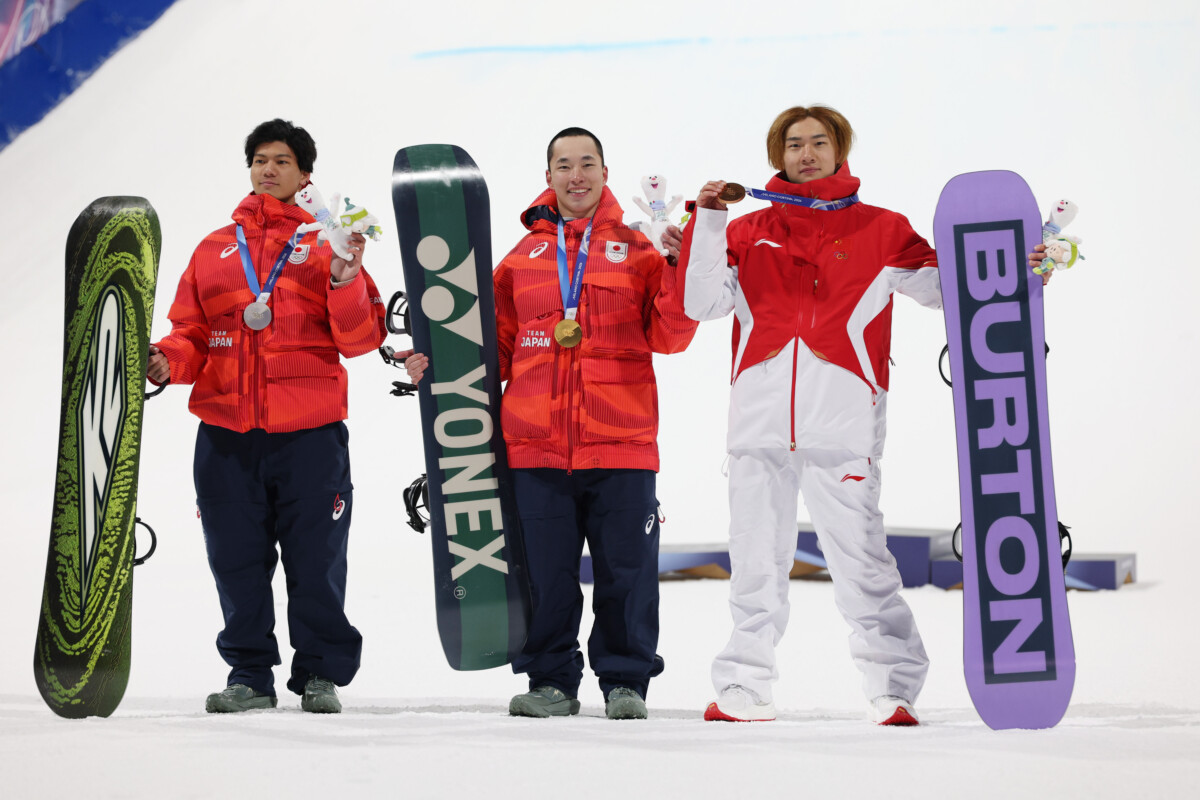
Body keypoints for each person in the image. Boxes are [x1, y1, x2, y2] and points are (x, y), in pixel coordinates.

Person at [405, 127, 697, 719]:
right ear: (548, 177)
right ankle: (552, 681)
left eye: (587, 163)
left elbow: (671, 338)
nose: (576, 175)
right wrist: (433, 364)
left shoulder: (642, 249)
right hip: (535, 448)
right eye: (563, 164)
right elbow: (493, 352)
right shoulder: (520, 259)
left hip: (621, 444)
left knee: (627, 575)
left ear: (606, 173)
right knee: (545, 576)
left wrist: (678, 265)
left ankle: (625, 682)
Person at [680, 105, 945, 726]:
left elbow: (947, 291)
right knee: (753, 565)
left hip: (844, 427)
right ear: (778, 156)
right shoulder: (746, 232)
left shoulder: (882, 230)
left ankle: (894, 687)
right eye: (793, 144)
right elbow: (701, 303)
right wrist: (711, 222)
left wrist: (1018, 267)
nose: (806, 153)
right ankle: (744, 686)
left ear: (839, 149)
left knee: (861, 564)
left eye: (818, 142)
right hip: (757, 429)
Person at [147, 118, 391, 714]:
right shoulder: (214, 248)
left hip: (310, 434)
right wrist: (164, 362)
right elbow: (192, 332)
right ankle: (249, 675)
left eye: (282, 160)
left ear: (306, 174)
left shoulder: (329, 239)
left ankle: (319, 675)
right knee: (235, 562)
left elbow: (361, 339)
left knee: (316, 562)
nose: (269, 169)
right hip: (227, 435)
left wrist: (345, 275)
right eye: (260, 159)